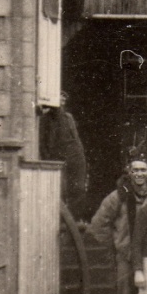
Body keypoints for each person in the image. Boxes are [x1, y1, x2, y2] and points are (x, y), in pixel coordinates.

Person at [88, 155, 147, 294]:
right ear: (129, 172)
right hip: (127, 257)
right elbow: (98, 225)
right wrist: (116, 246)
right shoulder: (118, 197)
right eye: (136, 170)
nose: (139, 174)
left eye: (143, 170)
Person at [40, 90, 88, 219]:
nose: (62, 102)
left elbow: (76, 139)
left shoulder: (69, 118)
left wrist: (80, 156)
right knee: (59, 191)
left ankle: (74, 221)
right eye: (60, 99)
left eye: (64, 100)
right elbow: (43, 144)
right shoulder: (45, 119)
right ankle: (60, 221)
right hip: (57, 159)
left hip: (74, 156)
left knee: (77, 190)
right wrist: (48, 160)